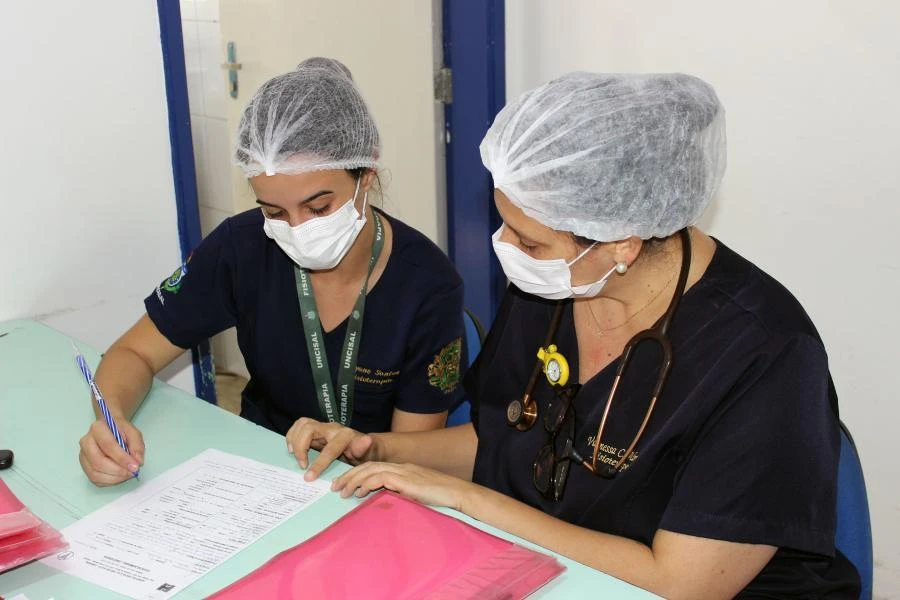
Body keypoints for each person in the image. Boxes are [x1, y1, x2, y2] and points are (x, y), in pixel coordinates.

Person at [288, 72, 860, 598]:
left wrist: (465, 499)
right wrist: (380, 450)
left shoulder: (766, 352)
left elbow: (684, 584)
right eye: (505, 223)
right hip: (548, 568)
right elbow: (508, 434)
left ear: (623, 241)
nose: (504, 248)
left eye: (530, 241)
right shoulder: (556, 286)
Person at [77, 58, 465, 487]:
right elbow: (134, 352)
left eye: (319, 208)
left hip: (367, 484)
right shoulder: (241, 247)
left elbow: (410, 464)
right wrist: (109, 424)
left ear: (366, 174)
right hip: (259, 468)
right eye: (274, 211)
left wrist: (362, 447)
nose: (298, 230)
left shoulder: (427, 284)